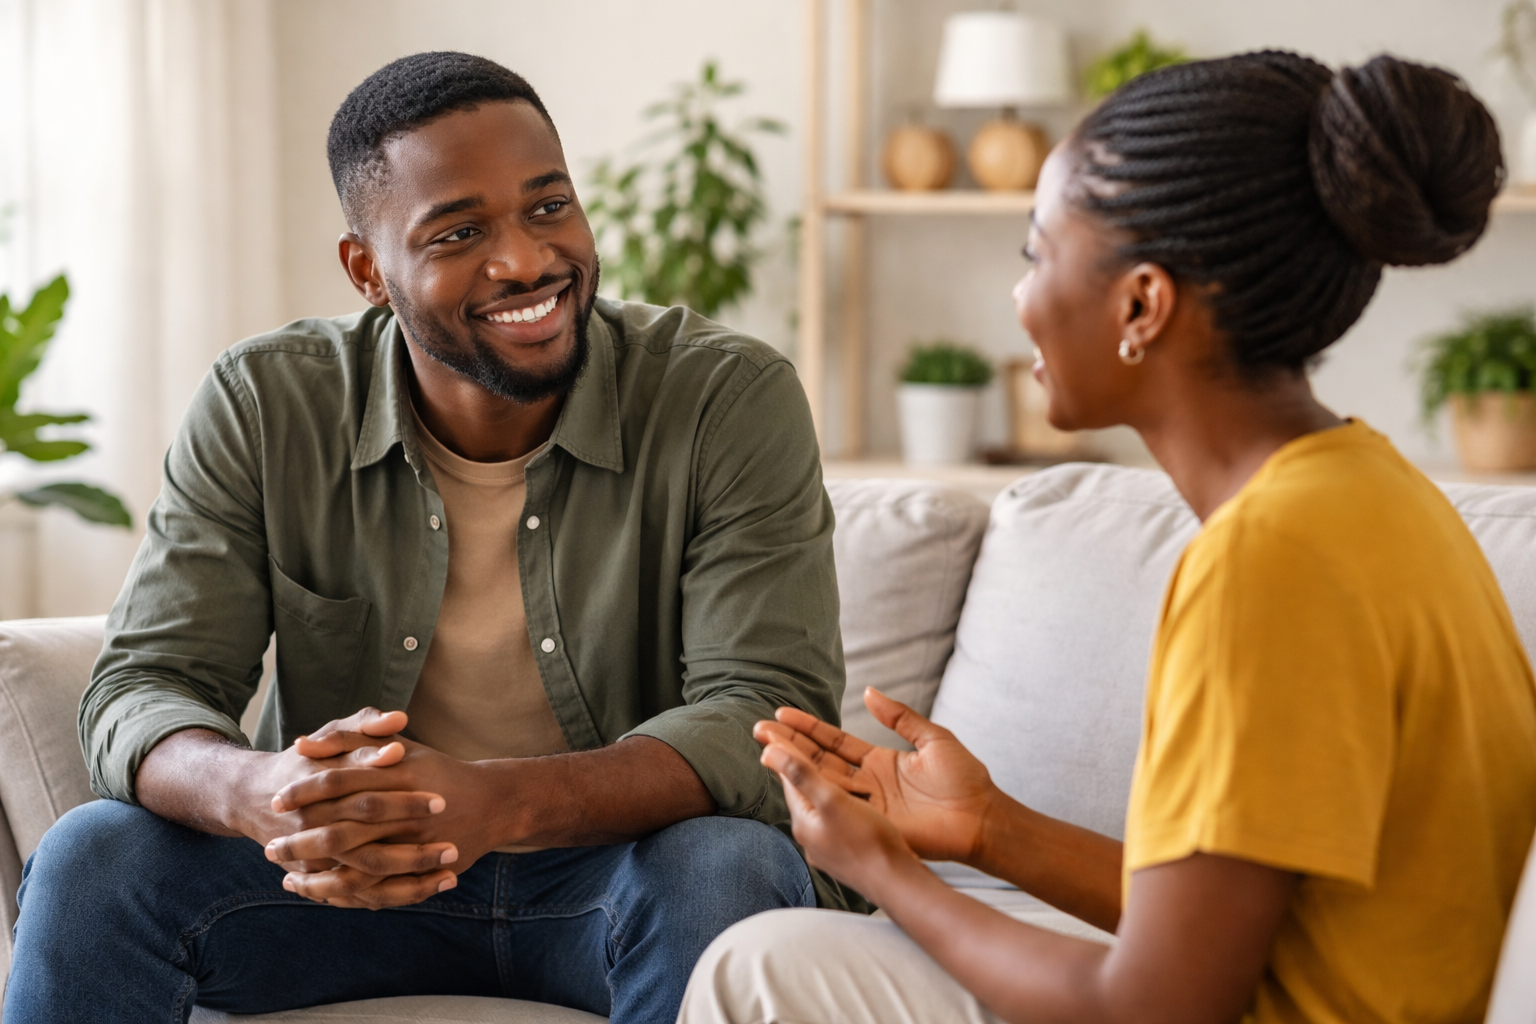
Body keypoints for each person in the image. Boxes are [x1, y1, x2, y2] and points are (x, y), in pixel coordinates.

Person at [679, 51, 1536, 1024]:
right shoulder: (1372, 491)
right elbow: (1239, 919)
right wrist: (987, 828)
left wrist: (884, 871)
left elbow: (1154, 1005)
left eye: (1037, 254)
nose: (1021, 300)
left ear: (1140, 304)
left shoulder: (1269, 566)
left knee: (765, 964)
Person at [4, 51, 858, 1024]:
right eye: (460, 231)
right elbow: (142, 686)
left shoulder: (724, 398)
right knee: (93, 855)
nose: (527, 260)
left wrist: (496, 801)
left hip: (619, 877)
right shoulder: (266, 403)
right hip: (342, 893)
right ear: (368, 268)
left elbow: (765, 720)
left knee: (729, 863)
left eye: (549, 207)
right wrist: (262, 789)